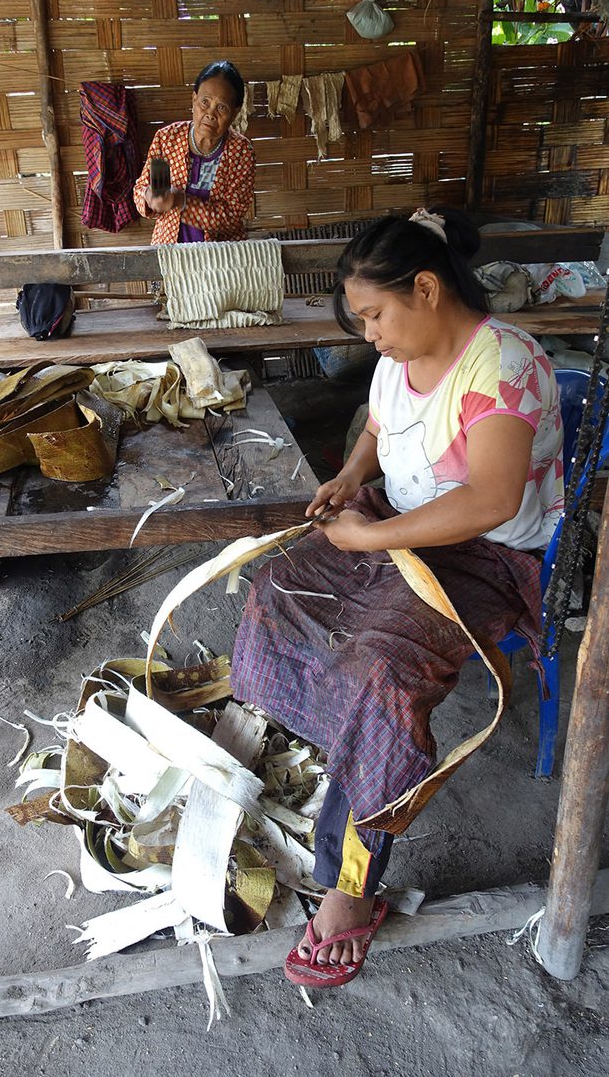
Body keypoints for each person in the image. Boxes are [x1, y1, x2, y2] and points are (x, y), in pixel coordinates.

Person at [229, 207, 564, 988]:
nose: (369, 333)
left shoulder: (503, 365)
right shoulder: (397, 357)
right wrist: (350, 479)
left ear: (425, 288)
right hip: (396, 526)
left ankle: (351, 887)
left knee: (379, 675)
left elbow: (487, 498)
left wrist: (369, 540)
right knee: (276, 590)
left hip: (482, 556)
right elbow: (378, 429)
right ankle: (331, 742)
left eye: (375, 314)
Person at [133, 60, 255, 244]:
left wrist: (181, 201)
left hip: (220, 257)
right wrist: (149, 197)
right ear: (194, 98)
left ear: (236, 112)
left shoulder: (241, 152)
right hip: (170, 250)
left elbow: (232, 216)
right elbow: (140, 190)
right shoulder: (167, 139)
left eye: (222, 107)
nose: (210, 114)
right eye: (204, 102)